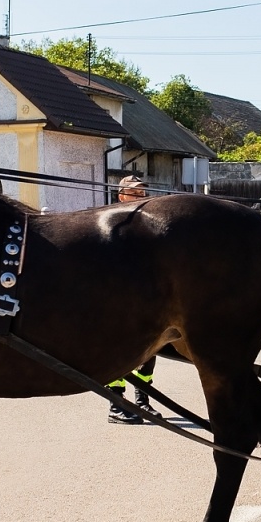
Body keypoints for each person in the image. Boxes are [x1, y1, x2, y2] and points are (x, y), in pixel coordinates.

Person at [108, 174, 159, 425]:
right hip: (120, 297)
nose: (141, 195)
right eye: (135, 192)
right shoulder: (112, 220)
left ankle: (142, 401)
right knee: (119, 353)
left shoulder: (145, 219)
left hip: (144, 295)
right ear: (121, 195)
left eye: (142, 192)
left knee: (150, 351)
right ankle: (116, 404)